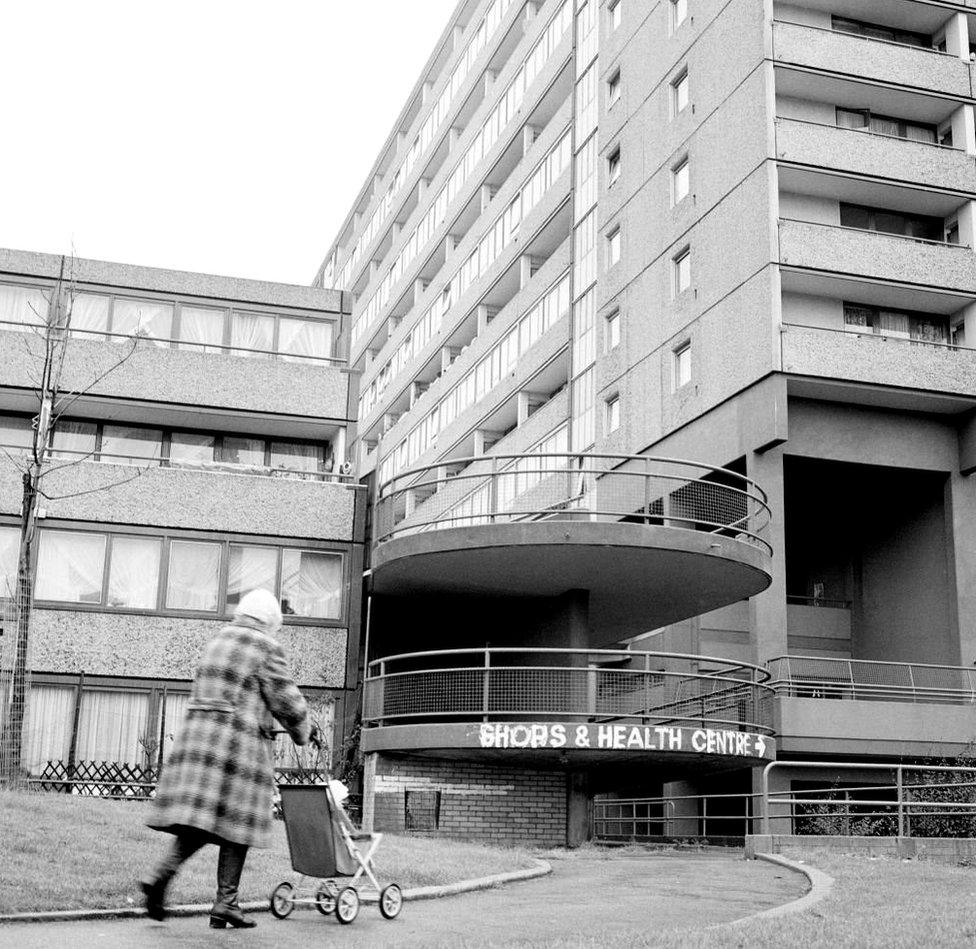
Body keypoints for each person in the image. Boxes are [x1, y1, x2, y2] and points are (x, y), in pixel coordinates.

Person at [141, 588, 314, 929]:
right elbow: (286, 701)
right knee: (238, 825)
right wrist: (303, 732)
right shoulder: (264, 646)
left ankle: (160, 875)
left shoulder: (217, 641)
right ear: (269, 621)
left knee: (201, 823)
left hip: (201, 747)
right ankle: (226, 902)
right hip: (238, 749)